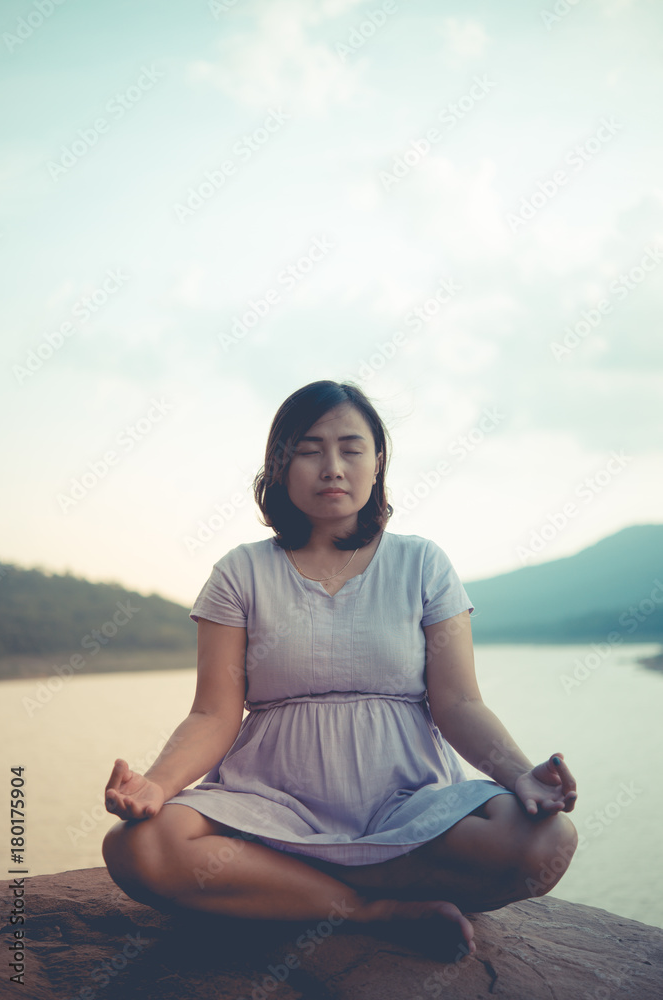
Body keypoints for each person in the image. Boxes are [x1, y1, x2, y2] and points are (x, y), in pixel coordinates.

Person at [102, 379, 578, 958]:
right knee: (138, 847)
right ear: (281, 466)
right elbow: (212, 714)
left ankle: (286, 885)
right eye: (309, 450)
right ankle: (372, 909)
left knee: (545, 840)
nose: (332, 467)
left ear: (377, 464)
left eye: (351, 449)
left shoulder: (422, 563)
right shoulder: (240, 572)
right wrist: (158, 784)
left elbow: (459, 704)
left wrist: (521, 774)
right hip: (268, 806)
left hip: (406, 804)